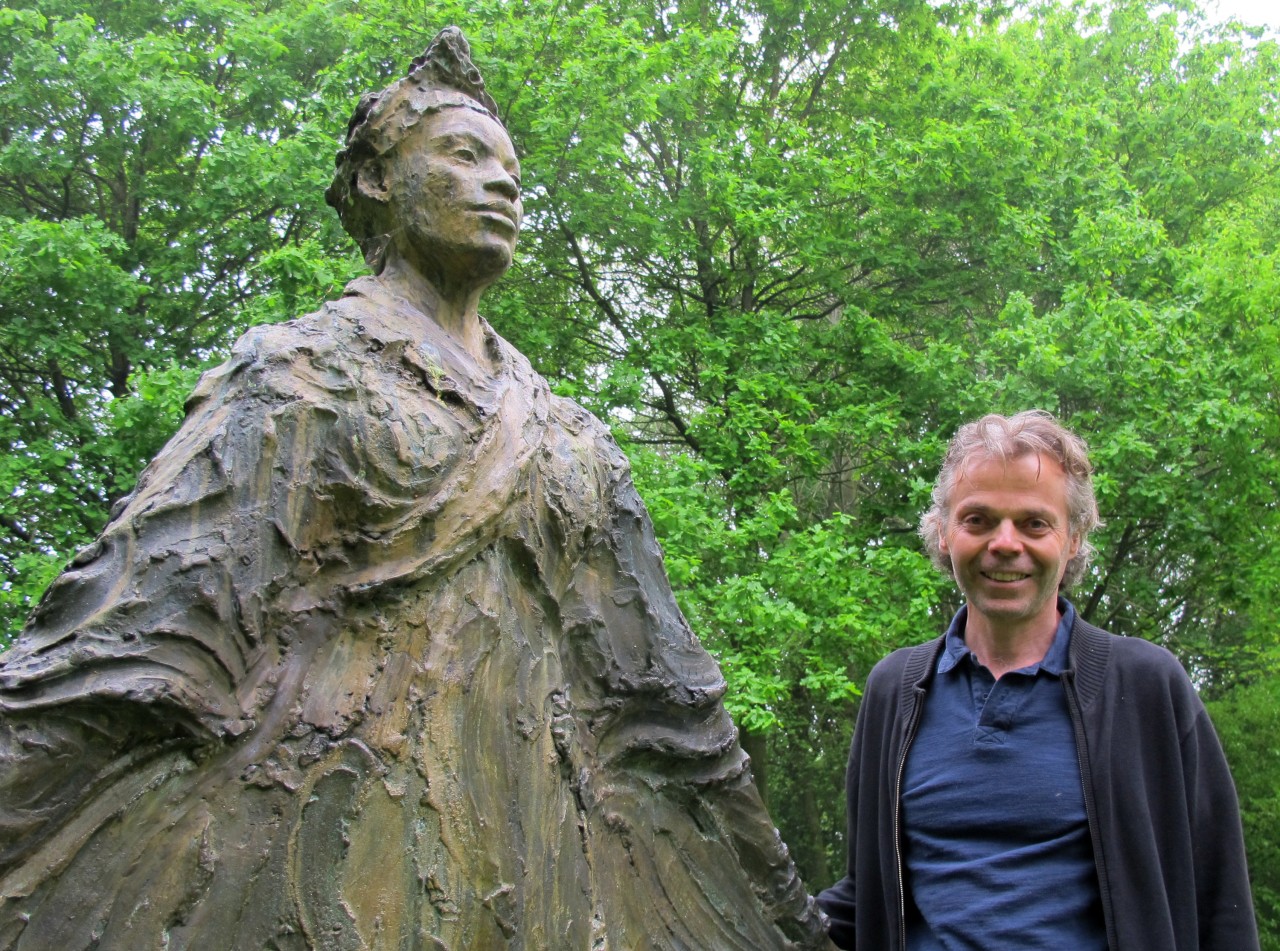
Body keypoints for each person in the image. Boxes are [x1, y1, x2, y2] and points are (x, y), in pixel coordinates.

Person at [0, 29, 829, 949]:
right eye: (464, 155)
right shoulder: (295, 377)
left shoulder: (576, 440)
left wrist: (786, 916)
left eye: (510, 166)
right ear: (376, 182)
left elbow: (673, 711)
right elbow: (136, 631)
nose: (503, 183)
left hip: (540, 859)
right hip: (328, 849)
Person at [817, 410, 1258, 950]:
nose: (1005, 543)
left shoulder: (1146, 688)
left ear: (1073, 539)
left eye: (1034, 523)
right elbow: (869, 897)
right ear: (943, 533)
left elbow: (1221, 904)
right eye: (977, 520)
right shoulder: (895, 690)